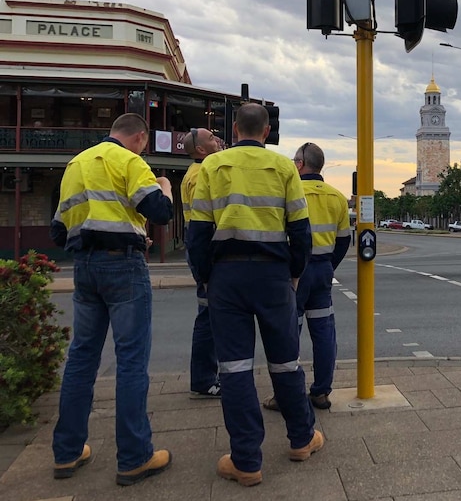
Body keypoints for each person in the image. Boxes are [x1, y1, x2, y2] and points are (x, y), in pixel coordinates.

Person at [187, 103, 324, 487]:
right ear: (266, 132)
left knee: (234, 368)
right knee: (285, 363)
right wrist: (294, 274)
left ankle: (246, 461)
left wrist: (205, 278)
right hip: (273, 276)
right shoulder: (283, 168)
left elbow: (197, 233)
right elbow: (300, 231)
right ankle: (302, 439)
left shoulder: (213, 167)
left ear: (234, 129)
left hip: (227, 277)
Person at [50, 112, 174, 486]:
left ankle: (67, 453)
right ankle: (135, 457)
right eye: (145, 145)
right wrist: (165, 185)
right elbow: (161, 212)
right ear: (139, 137)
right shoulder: (129, 161)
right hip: (123, 267)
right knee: (131, 361)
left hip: (84, 268)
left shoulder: (76, 164)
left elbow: (59, 230)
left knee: (81, 358)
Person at [263, 142, 350, 411]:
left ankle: (285, 395)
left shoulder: (290, 192)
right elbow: (345, 240)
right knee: (324, 332)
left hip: (294, 272)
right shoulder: (336, 197)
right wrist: (328, 265)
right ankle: (321, 392)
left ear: (300, 164)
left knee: (289, 333)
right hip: (323, 270)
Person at [181, 128, 224, 399]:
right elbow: (202, 224)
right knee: (208, 317)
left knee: (210, 315)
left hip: (204, 248)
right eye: (211, 139)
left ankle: (208, 375)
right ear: (200, 149)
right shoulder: (200, 176)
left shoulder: (200, 171)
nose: (217, 140)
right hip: (206, 250)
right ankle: (204, 379)